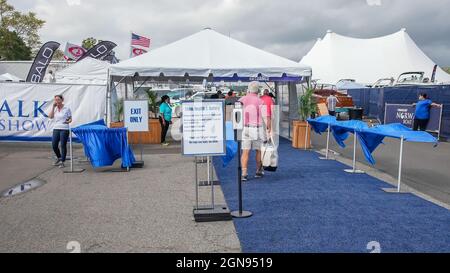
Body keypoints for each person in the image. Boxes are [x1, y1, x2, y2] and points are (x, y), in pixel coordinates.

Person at [239, 81, 266, 181]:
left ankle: (244, 173)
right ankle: (258, 171)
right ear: (258, 90)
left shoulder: (242, 99)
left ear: (249, 89)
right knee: (258, 151)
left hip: (246, 128)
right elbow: (264, 117)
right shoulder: (260, 101)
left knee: (245, 152)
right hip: (257, 128)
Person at [48, 95, 72, 168]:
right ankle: (59, 157)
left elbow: (70, 119)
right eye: (55, 100)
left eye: (58, 99)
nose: (57, 101)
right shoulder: (54, 109)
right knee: (54, 145)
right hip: (56, 128)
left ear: (62, 100)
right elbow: (50, 117)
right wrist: (53, 107)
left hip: (64, 129)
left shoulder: (67, 108)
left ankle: (62, 161)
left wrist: (68, 121)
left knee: (62, 145)